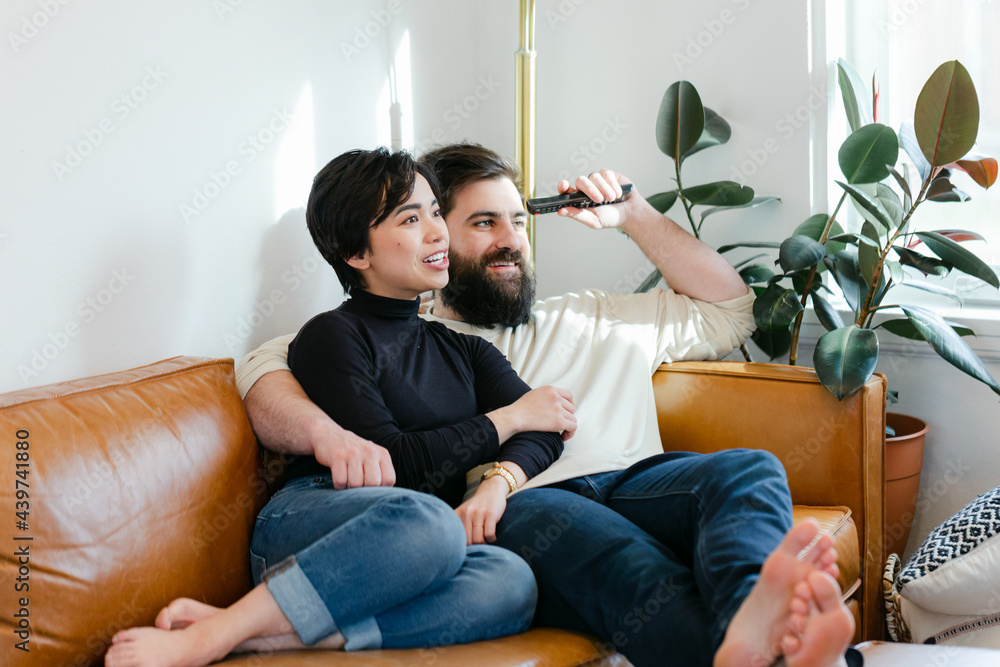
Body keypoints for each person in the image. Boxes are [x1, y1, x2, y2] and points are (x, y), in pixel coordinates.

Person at [230, 143, 856, 666]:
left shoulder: (586, 314)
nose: (511, 241)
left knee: (749, 469)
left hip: (633, 481)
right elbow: (265, 369)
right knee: (626, 563)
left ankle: (761, 618)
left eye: (518, 221)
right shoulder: (390, 331)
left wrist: (634, 214)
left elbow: (732, 309)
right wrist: (330, 434)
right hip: (533, 506)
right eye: (483, 223)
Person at [105, 148, 575, 667]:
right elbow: (397, 463)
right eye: (411, 219)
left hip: (413, 545)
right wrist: (511, 418)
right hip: (316, 520)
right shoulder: (331, 336)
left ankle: (267, 637)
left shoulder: (466, 350)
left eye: (436, 212)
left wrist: (494, 486)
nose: (437, 233)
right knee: (433, 521)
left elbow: (548, 428)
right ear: (356, 253)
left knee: (511, 580)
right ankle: (210, 637)